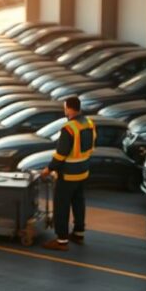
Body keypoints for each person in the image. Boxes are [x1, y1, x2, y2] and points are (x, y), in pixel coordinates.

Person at [40, 96, 96, 251]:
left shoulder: (69, 128)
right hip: (83, 172)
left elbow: (61, 154)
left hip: (68, 175)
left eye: (65, 108)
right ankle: (78, 233)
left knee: (61, 206)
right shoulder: (89, 123)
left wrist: (48, 169)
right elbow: (90, 148)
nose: (64, 110)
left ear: (70, 108)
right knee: (79, 202)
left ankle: (62, 240)